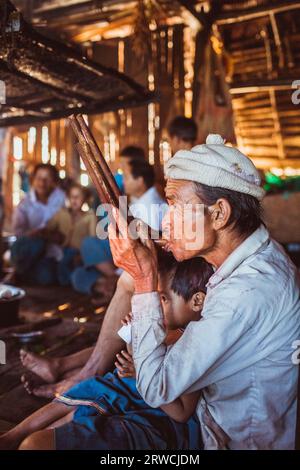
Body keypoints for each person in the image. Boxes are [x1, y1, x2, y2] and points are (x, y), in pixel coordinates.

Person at [106, 134, 300, 450]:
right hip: (206, 418)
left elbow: (157, 387)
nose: (166, 222)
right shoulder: (257, 255)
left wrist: (144, 280)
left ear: (220, 214)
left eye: (176, 206)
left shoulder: (248, 292)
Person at [1, 254, 213, 450]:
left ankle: (31, 436)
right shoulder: (169, 328)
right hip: (133, 388)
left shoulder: (194, 347)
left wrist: (140, 372)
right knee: (90, 388)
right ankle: (15, 435)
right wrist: (133, 339)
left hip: (159, 412)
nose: (155, 306)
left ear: (196, 301)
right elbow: (134, 356)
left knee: (44, 437)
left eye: (164, 299)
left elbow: (182, 413)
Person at [11, 164, 65, 285]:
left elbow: (69, 224)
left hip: (51, 251)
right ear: (33, 180)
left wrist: (50, 234)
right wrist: (35, 233)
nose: (42, 182)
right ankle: (19, 272)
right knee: (35, 242)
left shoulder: (62, 198)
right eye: (38, 178)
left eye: (47, 179)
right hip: (29, 248)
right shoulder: (25, 204)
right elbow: (18, 232)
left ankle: (20, 274)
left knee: (46, 277)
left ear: (54, 181)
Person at [44, 183, 97, 286]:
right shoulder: (61, 213)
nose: (74, 199)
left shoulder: (90, 217)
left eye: (78, 197)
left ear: (85, 199)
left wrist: (82, 254)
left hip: (79, 253)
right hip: (59, 251)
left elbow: (93, 239)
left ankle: (69, 280)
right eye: (72, 196)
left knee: (70, 263)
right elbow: (48, 228)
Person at [124, 159, 168, 232]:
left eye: (126, 177)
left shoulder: (148, 208)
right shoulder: (141, 201)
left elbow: (150, 241)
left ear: (140, 180)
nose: (123, 182)